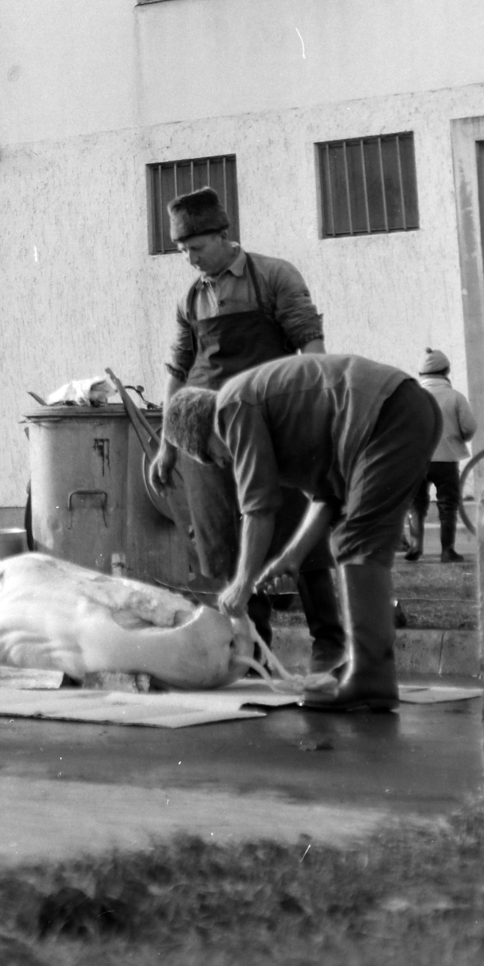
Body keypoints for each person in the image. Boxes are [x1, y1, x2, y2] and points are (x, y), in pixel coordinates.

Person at [162, 353, 443, 712]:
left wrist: (242, 584)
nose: (224, 463)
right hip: (404, 410)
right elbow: (327, 496)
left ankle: (371, 676)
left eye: (214, 457)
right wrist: (290, 558)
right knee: (354, 538)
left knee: (358, 543)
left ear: (205, 433)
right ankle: (369, 669)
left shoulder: (231, 409)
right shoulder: (268, 417)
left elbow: (258, 510)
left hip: (387, 414)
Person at [144, 186, 343, 675]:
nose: (189, 260)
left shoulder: (274, 275)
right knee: (223, 544)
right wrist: (168, 446)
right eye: (182, 251)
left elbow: (311, 348)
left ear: (222, 235)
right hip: (208, 436)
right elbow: (178, 369)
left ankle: (330, 643)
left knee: (300, 531)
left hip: (272, 424)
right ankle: (252, 648)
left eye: (195, 248)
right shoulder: (190, 298)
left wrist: (317, 418)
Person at [403, 349, 477, 563]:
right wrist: (459, 437)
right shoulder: (455, 397)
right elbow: (469, 426)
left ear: (421, 373)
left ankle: (416, 547)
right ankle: (447, 550)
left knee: (416, 503)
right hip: (447, 459)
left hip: (417, 460)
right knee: (447, 505)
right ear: (446, 371)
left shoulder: (411, 397)